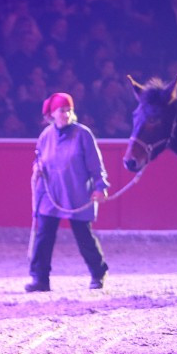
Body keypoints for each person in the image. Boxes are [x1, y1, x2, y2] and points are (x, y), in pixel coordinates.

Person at [27, 92, 110, 292]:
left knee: (83, 235)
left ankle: (98, 273)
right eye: (61, 110)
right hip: (50, 194)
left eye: (69, 110)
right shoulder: (46, 136)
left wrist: (100, 186)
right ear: (52, 113)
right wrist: (37, 168)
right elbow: (40, 160)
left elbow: (95, 164)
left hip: (76, 193)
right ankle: (40, 278)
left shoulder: (83, 134)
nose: (66, 114)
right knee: (44, 236)